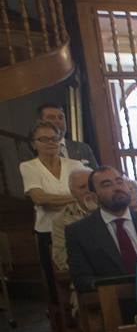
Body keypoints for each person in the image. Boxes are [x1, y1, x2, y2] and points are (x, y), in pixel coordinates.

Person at [21, 120, 83, 302]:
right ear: (33, 144)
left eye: (55, 138)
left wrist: (55, 200)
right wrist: (74, 198)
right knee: (56, 282)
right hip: (47, 231)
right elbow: (40, 199)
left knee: (80, 273)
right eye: (44, 139)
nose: (50, 143)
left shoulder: (75, 165)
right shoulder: (29, 167)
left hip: (76, 227)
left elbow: (87, 196)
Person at [65, 167, 137, 293]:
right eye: (107, 185)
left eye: (120, 182)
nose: (117, 188)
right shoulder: (80, 232)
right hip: (111, 301)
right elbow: (82, 280)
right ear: (94, 197)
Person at [51, 167, 95, 274]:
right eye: (82, 187)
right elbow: (61, 258)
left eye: (91, 185)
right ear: (72, 192)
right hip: (88, 276)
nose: (88, 190)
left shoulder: (112, 208)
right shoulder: (61, 220)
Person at [26, 102, 96, 165]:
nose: (58, 121)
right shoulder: (29, 153)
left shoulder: (83, 148)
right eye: (51, 118)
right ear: (40, 122)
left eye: (61, 117)